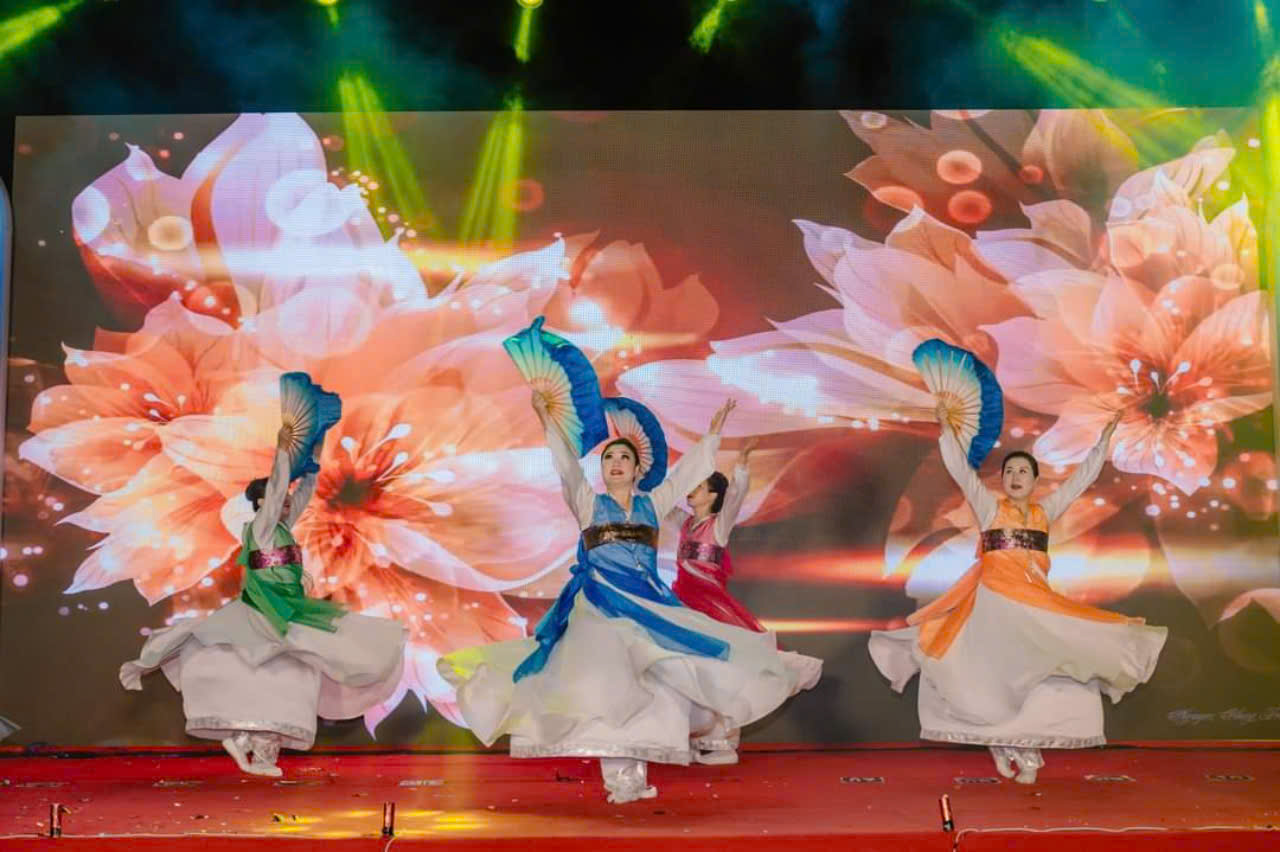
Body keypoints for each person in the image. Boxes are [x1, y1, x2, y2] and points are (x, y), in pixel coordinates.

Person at [439, 395, 821, 803]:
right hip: (598, 608)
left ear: (638, 470)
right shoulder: (588, 503)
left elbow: (684, 475)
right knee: (607, 685)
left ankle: (639, 770)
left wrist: (712, 434)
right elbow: (566, 467)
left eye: (624, 458)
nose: (616, 463)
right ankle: (622, 779)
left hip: (648, 608)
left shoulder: (652, 504)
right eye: (609, 458)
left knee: (661, 681)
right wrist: (545, 417)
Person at [868, 409, 1166, 784]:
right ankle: (1002, 743)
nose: (1015, 477)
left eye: (1023, 471)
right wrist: (947, 430)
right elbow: (961, 471)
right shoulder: (990, 509)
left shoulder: (1045, 512)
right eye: (1009, 471)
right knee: (992, 679)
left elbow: (1079, 481)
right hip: (993, 606)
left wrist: (1103, 443)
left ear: (1035, 480)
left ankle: (1026, 747)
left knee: (1043, 677)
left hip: (1035, 605)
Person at [121, 428, 406, 777]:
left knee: (292, 675)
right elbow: (278, 491)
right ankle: (251, 743)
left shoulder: (282, 529)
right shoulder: (262, 528)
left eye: (286, 502)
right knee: (279, 672)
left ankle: (255, 743)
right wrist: (284, 451)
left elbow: (304, 492)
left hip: (288, 606)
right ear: (261, 503)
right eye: (279, 501)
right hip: (265, 610)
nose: (287, 504)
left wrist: (314, 456)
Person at [670, 438, 818, 765]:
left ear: (713, 495)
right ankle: (697, 737)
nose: (691, 492)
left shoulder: (718, 525)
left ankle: (722, 742)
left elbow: (736, 495)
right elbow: (661, 505)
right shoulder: (685, 524)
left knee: (726, 671)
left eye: (698, 487)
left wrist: (741, 464)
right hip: (683, 604)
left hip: (712, 608)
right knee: (692, 671)